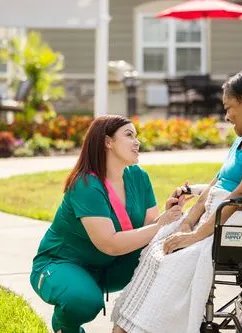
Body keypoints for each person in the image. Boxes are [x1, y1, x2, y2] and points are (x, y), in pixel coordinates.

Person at [112, 69, 242, 333]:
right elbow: (218, 183)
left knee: (177, 259)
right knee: (160, 244)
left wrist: (195, 237)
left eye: (229, 108)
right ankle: (130, 324)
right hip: (229, 214)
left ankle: (150, 327)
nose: (227, 116)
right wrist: (189, 222)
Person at [29, 115, 187, 333]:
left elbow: (150, 228)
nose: (137, 141)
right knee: (83, 302)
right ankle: (64, 326)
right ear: (108, 142)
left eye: (136, 136)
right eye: (129, 135)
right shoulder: (86, 185)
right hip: (62, 264)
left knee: (163, 262)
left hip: (109, 266)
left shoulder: (138, 177)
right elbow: (110, 244)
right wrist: (161, 224)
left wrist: (169, 213)